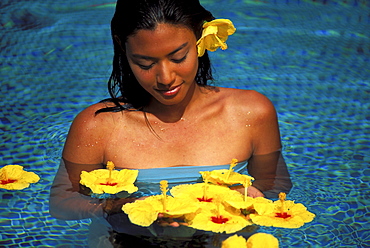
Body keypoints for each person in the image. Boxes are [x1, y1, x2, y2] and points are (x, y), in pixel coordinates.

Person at [49, 0, 292, 247]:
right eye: (145, 63)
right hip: (126, 239)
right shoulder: (98, 125)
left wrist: (249, 197)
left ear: (200, 39)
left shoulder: (251, 113)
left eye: (178, 57)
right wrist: (114, 208)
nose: (166, 78)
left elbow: (275, 184)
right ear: (122, 47)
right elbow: (62, 202)